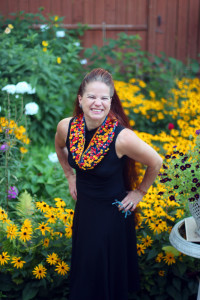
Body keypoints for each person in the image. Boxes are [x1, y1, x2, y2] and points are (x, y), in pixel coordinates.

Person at [55, 68, 163, 300]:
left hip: (111, 215)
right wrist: (70, 176)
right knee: (85, 266)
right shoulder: (67, 127)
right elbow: (60, 147)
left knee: (101, 275)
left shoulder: (121, 138)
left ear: (111, 101)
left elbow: (156, 161)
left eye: (104, 98)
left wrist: (139, 192)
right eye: (92, 96)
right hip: (85, 211)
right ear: (80, 98)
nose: (98, 103)